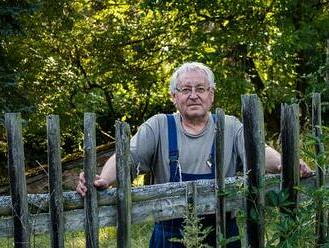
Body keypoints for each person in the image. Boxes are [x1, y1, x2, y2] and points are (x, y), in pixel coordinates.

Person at [77, 62, 312, 248]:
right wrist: (103, 179)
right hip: (169, 234)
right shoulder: (158, 126)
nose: (193, 95)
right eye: (185, 89)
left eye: (200, 89)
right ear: (173, 96)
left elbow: (259, 152)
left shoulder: (229, 126)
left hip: (222, 233)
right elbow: (126, 158)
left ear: (211, 94)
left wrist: (286, 163)